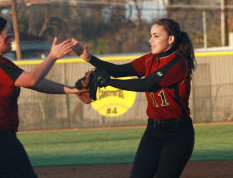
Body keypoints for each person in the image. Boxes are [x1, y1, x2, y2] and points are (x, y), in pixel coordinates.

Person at [71, 18, 196, 178]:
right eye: (151, 35)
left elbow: (146, 85)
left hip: (178, 135)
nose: (150, 40)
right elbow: (119, 70)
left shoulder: (179, 62)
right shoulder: (149, 59)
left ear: (170, 39)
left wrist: (108, 82)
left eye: (156, 36)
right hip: (153, 131)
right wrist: (89, 58)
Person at [0, 16, 79, 178]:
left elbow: (35, 83)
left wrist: (72, 90)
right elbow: (32, 79)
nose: (12, 36)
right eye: (8, 32)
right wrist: (52, 56)